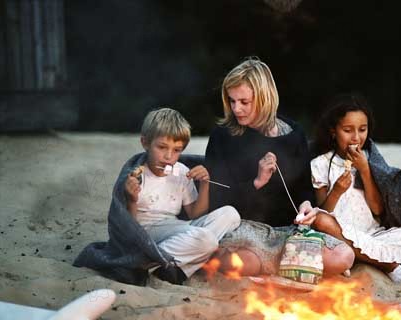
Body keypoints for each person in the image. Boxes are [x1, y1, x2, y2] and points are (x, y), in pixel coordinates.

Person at [205, 57, 355, 277]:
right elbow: (216, 200)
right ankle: (287, 267)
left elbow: (304, 188)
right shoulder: (223, 136)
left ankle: (283, 264)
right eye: (232, 101)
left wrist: (305, 206)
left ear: (265, 98)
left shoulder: (293, 134)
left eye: (244, 102)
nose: (236, 109)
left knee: (344, 256)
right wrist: (257, 182)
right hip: (243, 232)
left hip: (286, 233)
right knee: (240, 262)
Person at [309, 92, 401, 284]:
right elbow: (324, 212)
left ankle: (364, 255)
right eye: (348, 130)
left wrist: (364, 170)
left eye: (362, 129)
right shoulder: (320, 164)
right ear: (333, 131)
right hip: (339, 234)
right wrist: (337, 191)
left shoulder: (370, 158)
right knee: (321, 220)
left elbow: (378, 210)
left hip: (374, 233)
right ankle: (388, 265)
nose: (356, 137)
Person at [123, 107, 240, 284]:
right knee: (207, 239)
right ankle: (151, 261)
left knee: (231, 214)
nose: (169, 156)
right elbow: (128, 227)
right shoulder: (137, 176)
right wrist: (131, 198)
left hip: (175, 228)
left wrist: (205, 184)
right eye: (162, 147)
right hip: (147, 234)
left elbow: (195, 215)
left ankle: (179, 268)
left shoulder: (182, 172)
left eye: (177, 150)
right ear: (145, 143)